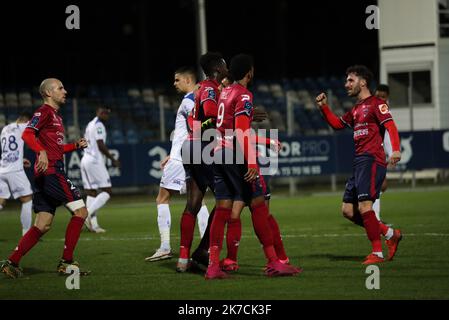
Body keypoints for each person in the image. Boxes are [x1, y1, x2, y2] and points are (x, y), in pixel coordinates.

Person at [205, 54, 301, 279]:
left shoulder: (224, 92)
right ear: (250, 72)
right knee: (259, 205)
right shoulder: (244, 95)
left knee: (222, 209)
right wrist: (251, 163)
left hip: (218, 153)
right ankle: (273, 262)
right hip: (235, 155)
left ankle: (213, 266)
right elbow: (241, 132)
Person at [0, 78, 90, 279]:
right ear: (49, 93)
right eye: (60, 88)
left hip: (44, 174)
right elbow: (27, 134)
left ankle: (12, 262)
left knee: (42, 224)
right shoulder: (44, 112)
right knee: (81, 212)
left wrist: (74, 146)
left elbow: (56, 149)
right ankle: (66, 262)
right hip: (51, 172)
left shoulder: (56, 117)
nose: (65, 91)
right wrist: (40, 151)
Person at [315, 66, 402, 264]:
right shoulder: (355, 109)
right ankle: (389, 234)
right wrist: (324, 107)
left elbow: (390, 125)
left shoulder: (377, 104)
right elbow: (337, 125)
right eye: (347, 81)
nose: (347, 84)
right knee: (347, 210)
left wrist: (395, 149)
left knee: (365, 206)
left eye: (350, 80)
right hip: (359, 162)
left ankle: (377, 253)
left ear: (362, 82)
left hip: (372, 159)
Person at [145, 66, 209, 262]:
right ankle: (208, 247)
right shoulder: (197, 98)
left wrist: (175, 155)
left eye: (177, 80)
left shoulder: (189, 100)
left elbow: (196, 125)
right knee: (198, 201)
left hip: (181, 159)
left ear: (188, 80)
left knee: (162, 199)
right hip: (191, 155)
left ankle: (165, 247)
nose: (174, 84)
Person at [176, 52, 228, 272]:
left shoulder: (209, 88)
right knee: (226, 199)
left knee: (194, 204)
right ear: (217, 67)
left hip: (193, 146)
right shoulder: (209, 88)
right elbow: (209, 114)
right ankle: (204, 252)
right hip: (202, 147)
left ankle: (183, 259)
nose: (227, 66)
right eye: (224, 63)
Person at [81, 106, 120, 233]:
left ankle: (94, 225)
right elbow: (100, 143)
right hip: (94, 160)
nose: (107, 116)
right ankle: (85, 215)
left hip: (85, 159)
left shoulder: (89, 124)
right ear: (100, 113)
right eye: (105, 113)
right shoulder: (99, 125)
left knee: (91, 192)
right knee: (107, 191)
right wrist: (112, 159)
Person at [0, 111, 34, 235]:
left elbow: (9, 150)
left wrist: (21, 159)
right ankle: (27, 234)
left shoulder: (5, 128)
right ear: (26, 121)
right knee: (27, 199)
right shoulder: (23, 127)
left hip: (2, 169)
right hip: (14, 171)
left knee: (1, 201)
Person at [373, 84, 392, 221]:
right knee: (379, 185)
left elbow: (387, 135)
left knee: (381, 186)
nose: (380, 99)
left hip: (379, 153)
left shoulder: (385, 111)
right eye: (378, 96)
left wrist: (391, 153)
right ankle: (376, 219)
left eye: (383, 97)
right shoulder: (373, 111)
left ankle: (374, 217)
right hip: (370, 153)